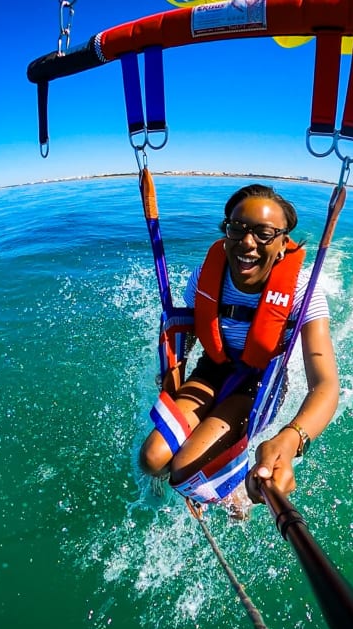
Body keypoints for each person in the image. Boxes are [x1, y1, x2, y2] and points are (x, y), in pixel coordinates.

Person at [139, 184, 339, 511]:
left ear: (282, 244)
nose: (247, 242)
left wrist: (290, 439)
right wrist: (171, 381)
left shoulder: (304, 293)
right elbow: (188, 336)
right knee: (151, 459)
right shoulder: (206, 275)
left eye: (263, 233)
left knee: (184, 468)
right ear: (226, 232)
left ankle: (224, 487)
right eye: (238, 229)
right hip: (213, 368)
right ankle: (185, 485)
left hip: (259, 386)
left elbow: (326, 384)